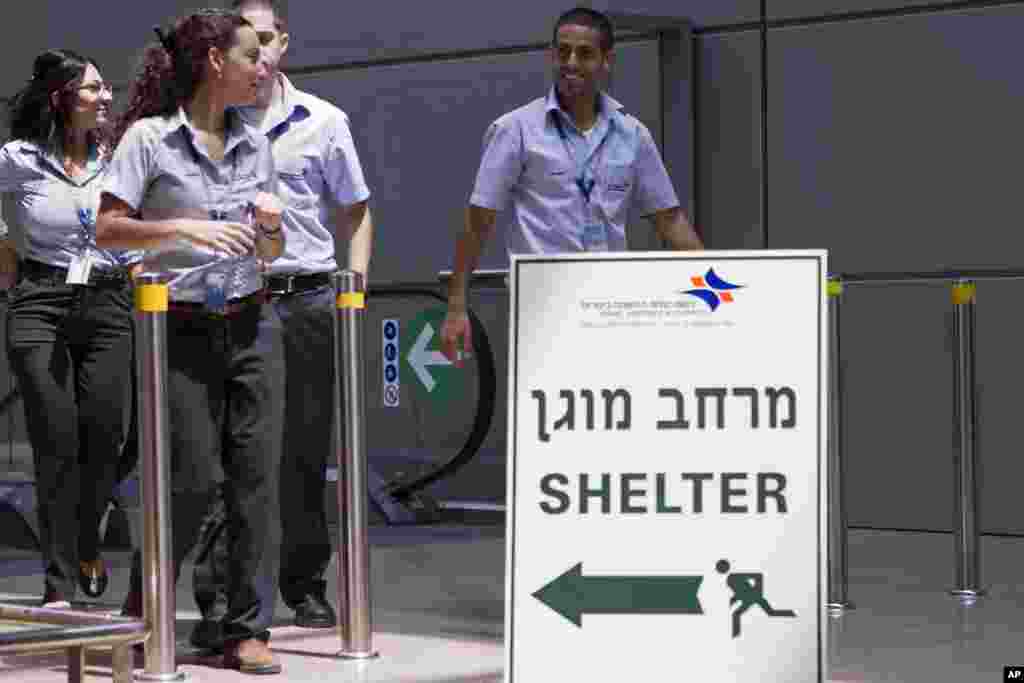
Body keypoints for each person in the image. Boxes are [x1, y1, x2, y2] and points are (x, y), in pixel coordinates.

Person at [95, 9, 286, 674]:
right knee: (194, 479)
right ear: (213, 62)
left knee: (256, 479)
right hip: (178, 323)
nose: (261, 68)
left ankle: (245, 628)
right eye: (249, 55)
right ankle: (143, 609)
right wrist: (183, 229)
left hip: (251, 315)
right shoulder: (149, 140)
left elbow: (271, 247)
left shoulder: (256, 141)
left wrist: (269, 228)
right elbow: (108, 229)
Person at [189, 0, 374, 650]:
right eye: (246, 41)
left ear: (283, 43)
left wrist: (353, 292)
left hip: (307, 299)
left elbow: (355, 211)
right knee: (227, 454)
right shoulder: (210, 121)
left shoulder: (323, 121)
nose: (258, 52)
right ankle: (219, 592)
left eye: (266, 39)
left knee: (301, 452)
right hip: (232, 299)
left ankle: (303, 581)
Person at [440, 7, 703, 361]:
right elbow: (478, 221)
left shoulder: (632, 135)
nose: (571, 62)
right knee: (544, 413)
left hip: (613, 310)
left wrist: (715, 284)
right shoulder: (516, 130)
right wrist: (456, 307)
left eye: (585, 53)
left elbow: (670, 220)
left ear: (607, 60)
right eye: (562, 51)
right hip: (541, 308)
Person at [0, 49, 141, 608]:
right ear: (60, 99)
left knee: (106, 438)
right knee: (55, 441)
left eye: (107, 89)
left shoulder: (121, 157)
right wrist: (3, 245)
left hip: (108, 303)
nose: (106, 97)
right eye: (92, 90)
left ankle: (87, 537)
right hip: (39, 301)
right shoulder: (21, 156)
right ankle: (59, 583)